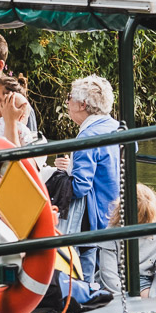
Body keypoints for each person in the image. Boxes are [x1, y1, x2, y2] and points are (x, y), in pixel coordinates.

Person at [59, 74, 121, 294]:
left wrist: (61, 175)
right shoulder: (117, 127)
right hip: (117, 211)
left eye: (69, 98)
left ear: (82, 104)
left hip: (95, 218)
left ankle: (84, 295)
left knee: (85, 270)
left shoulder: (87, 136)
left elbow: (80, 186)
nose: (67, 103)